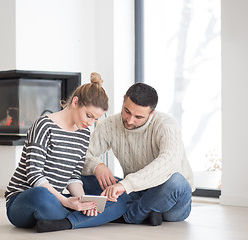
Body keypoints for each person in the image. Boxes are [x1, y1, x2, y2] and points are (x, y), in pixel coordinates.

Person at [5, 72, 129, 233]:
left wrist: (83, 201)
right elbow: (34, 175)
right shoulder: (44, 125)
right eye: (89, 116)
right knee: (41, 195)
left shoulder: (84, 134)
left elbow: (73, 176)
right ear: (75, 102)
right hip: (25, 199)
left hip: (56, 199)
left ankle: (66, 222)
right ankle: (83, 219)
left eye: (95, 120)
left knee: (121, 199)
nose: (90, 123)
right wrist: (67, 202)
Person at [81, 82, 195, 226]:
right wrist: (96, 165)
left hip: (169, 198)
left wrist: (125, 184)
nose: (130, 120)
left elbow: (169, 163)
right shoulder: (110, 124)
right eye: (127, 111)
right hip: (136, 192)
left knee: (177, 181)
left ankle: (128, 216)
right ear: (123, 100)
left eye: (138, 117)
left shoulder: (166, 125)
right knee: (81, 175)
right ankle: (148, 211)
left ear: (152, 113)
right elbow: (81, 154)